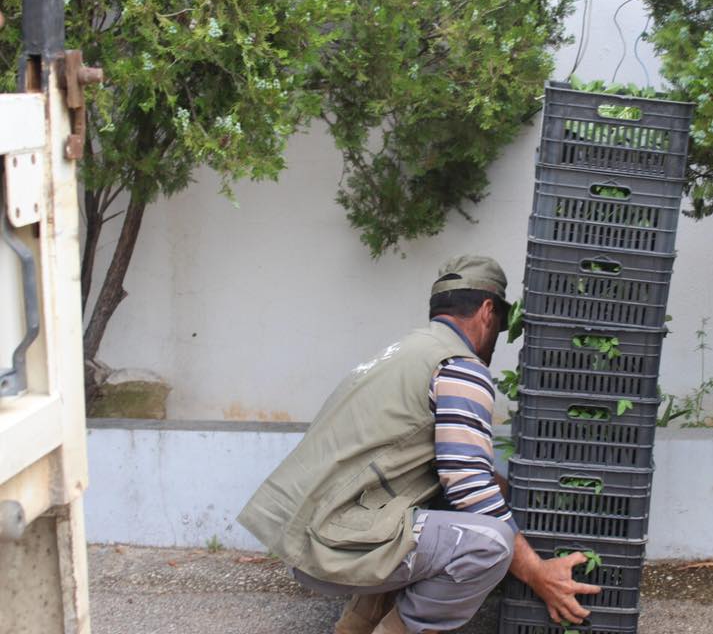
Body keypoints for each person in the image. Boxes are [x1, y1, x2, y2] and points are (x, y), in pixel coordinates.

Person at [237, 255, 600, 634]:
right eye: (499, 324)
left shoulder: (403, 352)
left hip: (305, 532)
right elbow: (469, 487)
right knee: (491, 542)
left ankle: (354, 627)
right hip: (333, 544)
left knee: (432, 514)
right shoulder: (461, 367)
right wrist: (537, 571)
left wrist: (512, 493)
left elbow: (445, 467)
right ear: (487, 312)